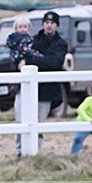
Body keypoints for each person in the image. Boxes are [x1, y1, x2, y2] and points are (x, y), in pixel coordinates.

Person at [14, 11, 68, 156]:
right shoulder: (33, 40)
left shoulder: (61, 44)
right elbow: (20, 56)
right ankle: (20, 152)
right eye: (47, 23)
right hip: (25, 88)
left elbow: (54, 62)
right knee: (20, 121)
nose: (49, 26)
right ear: (43, 24)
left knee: (37, 123)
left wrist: (30, 61)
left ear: (56, 25)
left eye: (52, 23)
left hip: (46, 91)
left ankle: (34, 153)